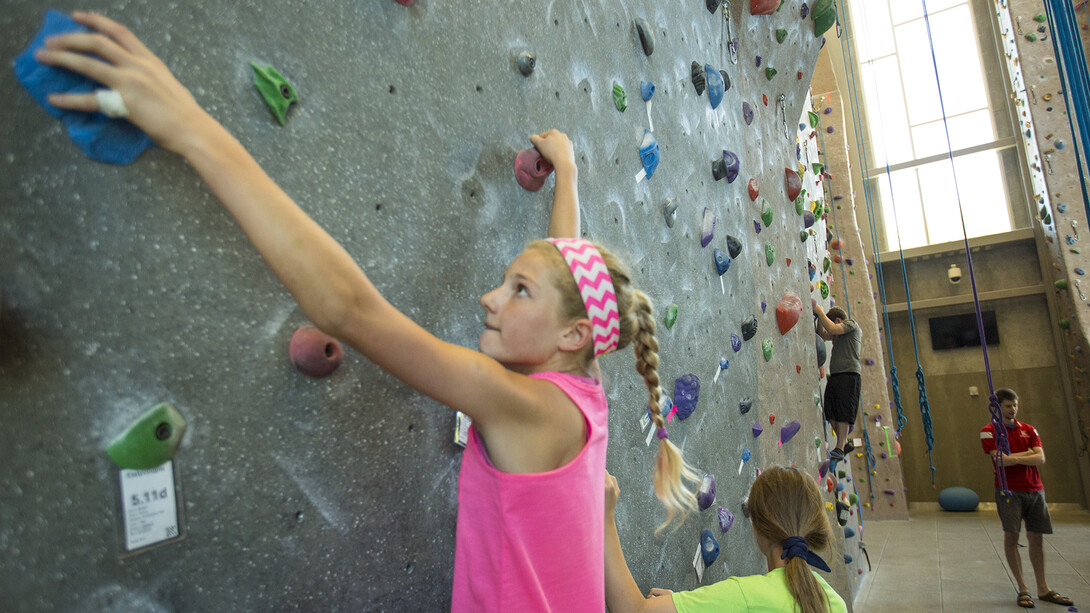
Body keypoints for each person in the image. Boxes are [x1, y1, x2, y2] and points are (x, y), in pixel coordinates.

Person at [32, 12, 702, 611]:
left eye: (517, 289)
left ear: (572, 331)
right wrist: (570, 174)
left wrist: (193, 129)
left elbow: (347, 308)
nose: (489, 298)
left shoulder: (519, 402)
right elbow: (568, 276)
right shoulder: (584, 391)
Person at [604, 466, 848, 613]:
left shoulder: (748, 597)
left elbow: (632, 610)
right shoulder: (836, 604)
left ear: (757, 526)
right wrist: (688, 606)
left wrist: (605, 517)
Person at [981, 388, 1074, 609]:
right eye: (1007, 406)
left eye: (1015, 405)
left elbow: (1040, 458)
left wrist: (1013, 457)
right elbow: (999, 461)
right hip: (1009, 490)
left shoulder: (1029, 429)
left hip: (1034, 490)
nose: (1012, 409)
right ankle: (1023, 588)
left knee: (1037, 539)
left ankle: (1043, 587)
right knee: (1012, 537)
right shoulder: (988, 431)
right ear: (998, 407)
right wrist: (1025, 456)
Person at [813, 304, 861, 460]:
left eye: (834, 322)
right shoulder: (839, 333)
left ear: (839, 320)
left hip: (849, 374)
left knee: (843, 411)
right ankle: (845, 443)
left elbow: (832, 329)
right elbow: (822, 334)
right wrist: (821, 318)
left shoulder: (851, 324)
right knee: (831, 410)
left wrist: (819, 311)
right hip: (837, 375)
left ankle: (840, 448)